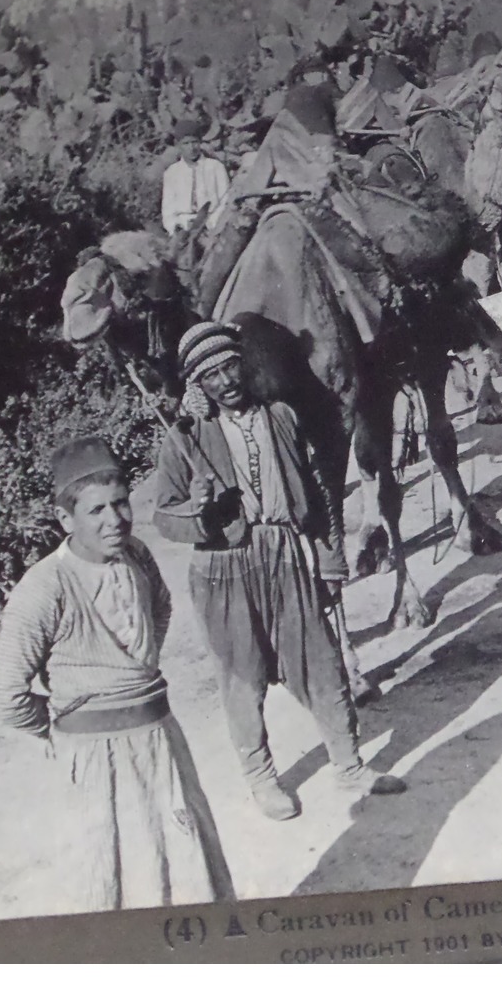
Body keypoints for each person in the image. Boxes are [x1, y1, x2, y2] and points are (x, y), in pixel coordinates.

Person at [151, 321, 405, 820]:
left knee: (322, 662)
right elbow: (163, 515)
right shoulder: (185, 440)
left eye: (230, 367)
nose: (226, 381)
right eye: (212, 375)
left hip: (286, 551)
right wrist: (196, 508)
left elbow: (315, 493)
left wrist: (329, 559)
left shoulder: (282, 417)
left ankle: (349, 767)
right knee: (242, 677)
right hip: (223, 568)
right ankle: (262, 778)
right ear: (197, 385)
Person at [0, 436, 232, 912]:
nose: (114, 520)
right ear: (65, 519)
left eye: (120, 504)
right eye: (95, 510)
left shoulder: (137, 553)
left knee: (184, 868)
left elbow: (159, 607)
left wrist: (136, 675)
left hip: (160, 738)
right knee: (112, 880)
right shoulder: (43, 588)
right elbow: (3, 698)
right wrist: (69, 724)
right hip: (93, 759)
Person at [159, 137, 229, 235]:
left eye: (194, 142)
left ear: (200, 143)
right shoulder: (171, 172)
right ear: (179, 145)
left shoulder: (216, 167)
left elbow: (225, 201)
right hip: (183, 225)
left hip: (211, 224)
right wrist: (175, 226)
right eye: (186, 143)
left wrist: (211, 223)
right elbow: (167, 209)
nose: (191, 148)